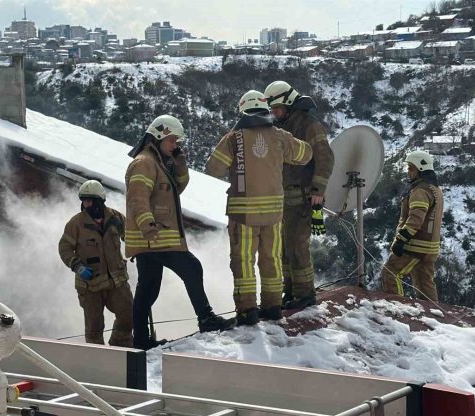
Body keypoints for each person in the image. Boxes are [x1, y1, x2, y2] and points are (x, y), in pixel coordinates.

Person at [125, 114, 236, 350]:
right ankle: (206, 318)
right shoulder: (144, 162)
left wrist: (180, 163)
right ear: (158, 136)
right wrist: (147, 224)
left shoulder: (159, 163)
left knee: (148, 288)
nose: (175, 145)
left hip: (154, 238)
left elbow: (178, 188)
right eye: (172, 141)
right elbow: (137, 197)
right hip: (155, 237)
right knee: (191, 267)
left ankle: (141, 341)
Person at [206, 91, 312, 325]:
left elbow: (214, 169)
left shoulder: (234, 138)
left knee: (243, 261)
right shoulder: (280, 136)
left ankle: (247, 311)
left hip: (243, 214)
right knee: (271, 259)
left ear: (243, 110)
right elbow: (306, 154)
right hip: (274, 214)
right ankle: (273, 306)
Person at [263, 81, 334, 310]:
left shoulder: (308, 125)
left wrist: (318, 191)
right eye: (271, 111)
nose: (274, 114)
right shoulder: (283, 126)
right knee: (284, 248)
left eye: (277, 109)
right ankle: (290, 290)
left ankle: (305, 294)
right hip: (284, 198)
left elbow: (325, 158)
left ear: (288, 103)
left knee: (297, 247)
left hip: (303, 198)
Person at [58, 180, 133, 347]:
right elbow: (65, 248)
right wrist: (77, 266)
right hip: (89, 285)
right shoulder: (76, 224)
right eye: (84, 201)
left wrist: (138, 251)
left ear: (99, 200)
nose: (86, 204)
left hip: (117, 281)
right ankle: (98, 358)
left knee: (128, 315)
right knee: (94, 327)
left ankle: (120, 349)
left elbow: (131, 235)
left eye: (90, 200)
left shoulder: (115, 218)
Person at [380, 150, 443, 302]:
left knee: (390, 273)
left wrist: (401, 239)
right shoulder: (435, 189)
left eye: (411, 168)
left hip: (415, 246)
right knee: (424, 282)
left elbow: (416, 219)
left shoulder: (420, 191)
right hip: (431, 247)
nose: (408, 172)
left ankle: (396, 309)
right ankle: (435, 318)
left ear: (421, 169)